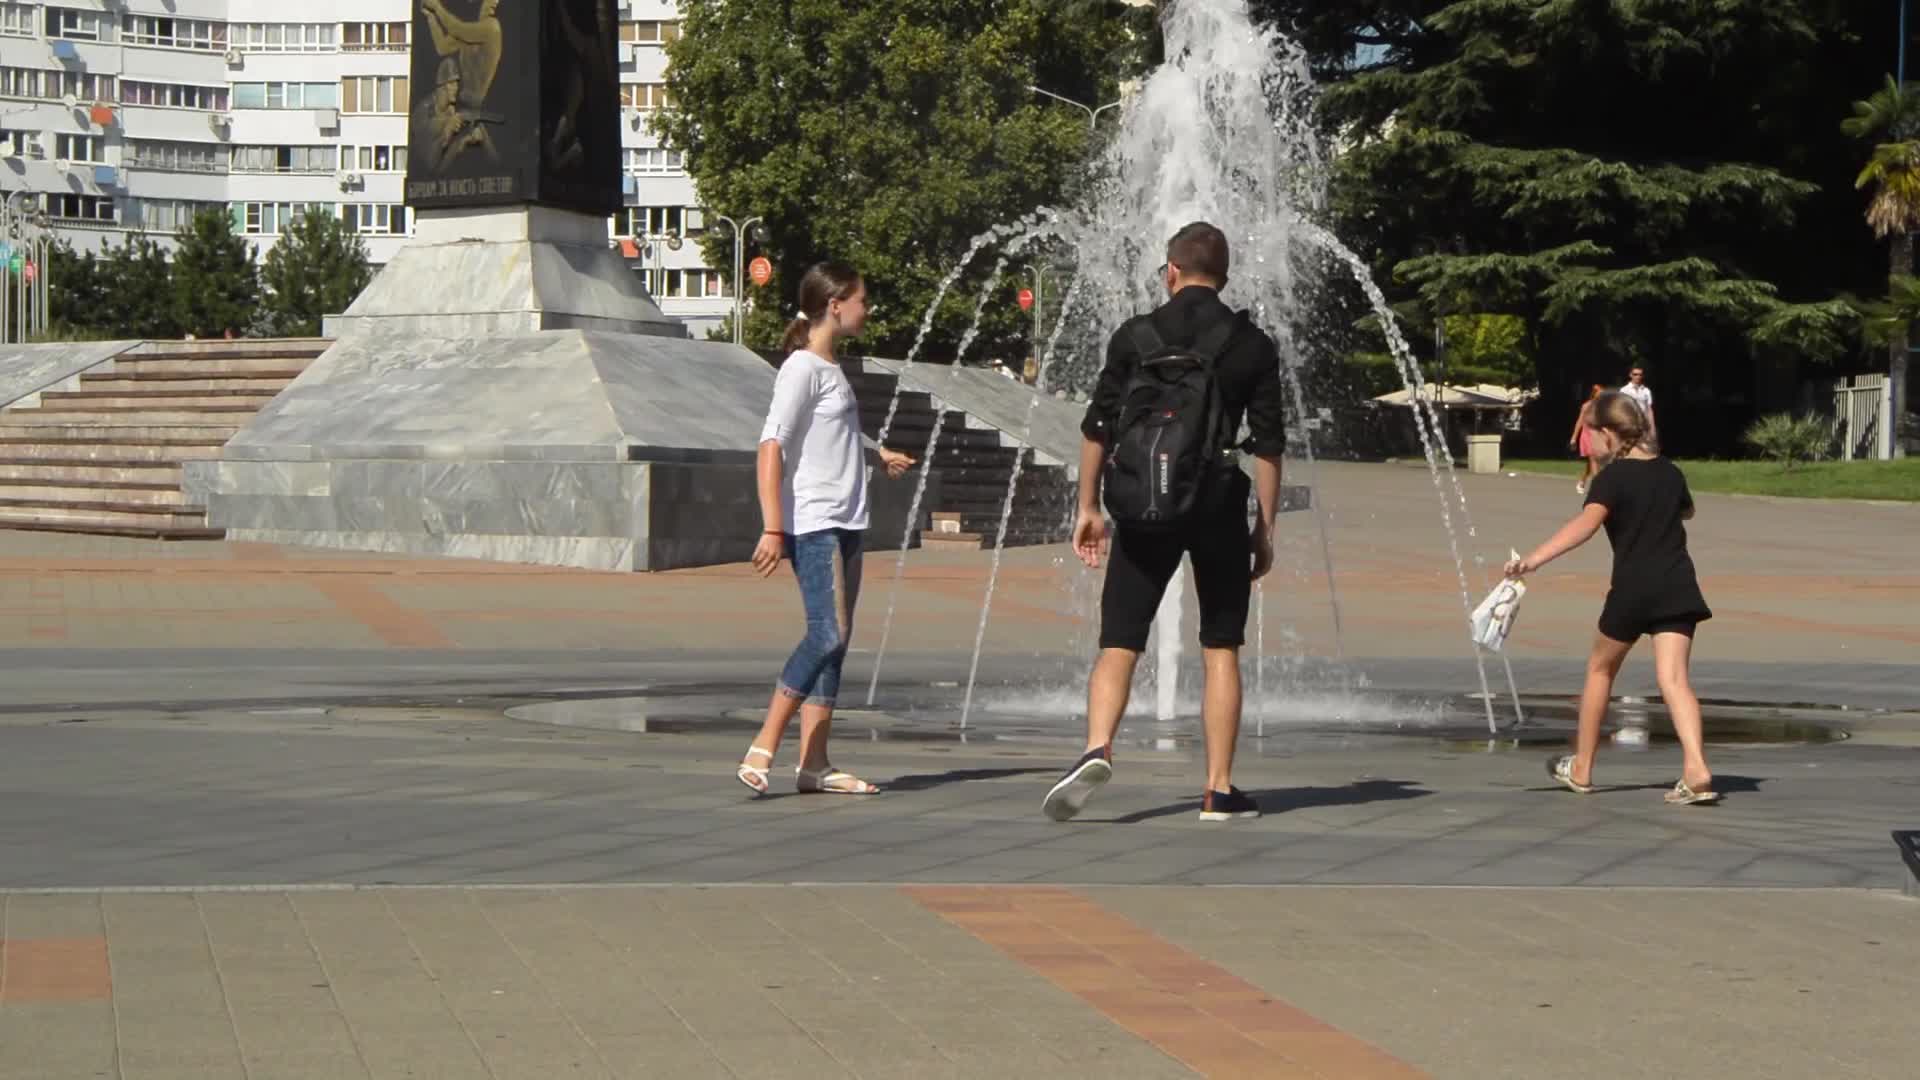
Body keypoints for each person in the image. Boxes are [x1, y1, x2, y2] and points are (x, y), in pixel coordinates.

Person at [1041, 222, 1288, 823]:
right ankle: (1218, 790)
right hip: (1217, 504)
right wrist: (1264, 529)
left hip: (1143, 503)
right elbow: (1268, 445)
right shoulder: (1251, 344)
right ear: (1223, 276)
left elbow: (1098, 428)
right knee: (1221, 646)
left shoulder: (1135, 336)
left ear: (1171, 271)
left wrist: (1088, 507)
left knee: (1119, 640)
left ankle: (1097, 746)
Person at [736, 263, 914, 797]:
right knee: (826, 633)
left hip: (847, 519)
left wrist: (878, 453)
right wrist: (773, 528)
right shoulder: (801, 368)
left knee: (837, 643)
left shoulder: (830, 367)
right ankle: (764, 744)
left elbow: (833, 433)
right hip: (815, 523)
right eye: (863, 300)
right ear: (835, 305)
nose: (868, 309)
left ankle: (814, 764)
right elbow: (771, 445)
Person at [1504, 390, 1719, 805]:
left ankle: (1582, 767)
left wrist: (1533, 560)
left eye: (1591, 435)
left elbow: (1584, 526)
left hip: (1634, 590)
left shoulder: (1612, 479)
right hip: (1678, 585)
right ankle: (1696, 768)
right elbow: (1687, 511)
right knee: (1675, 679)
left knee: (1600, 670)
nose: (1589, 444)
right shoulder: (1670, 472)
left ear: (1607, 433)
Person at [1569, 384, 1605, 495]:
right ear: (1594, 394)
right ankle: (1598, 488)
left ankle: (1582, 481)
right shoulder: (1586, 406)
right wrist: (1574, 438)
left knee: (1592, 463)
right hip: (1588, 436)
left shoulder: (1603, 407)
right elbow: (1580, 422)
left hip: (1599, 436)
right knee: (1593, 460)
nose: (1601, 396)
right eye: (1599, 394)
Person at [1620, 365, 1655, 430]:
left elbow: (1649, 409)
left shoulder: (1646, 391)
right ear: (1630, 375)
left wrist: (1652, 427)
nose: (1638, 377)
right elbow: (1621, 408)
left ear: (1642, 376)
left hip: (1643, 424)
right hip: (1629, 423)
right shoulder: (1624, 390)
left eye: (1640, 375)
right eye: (1635, 374)